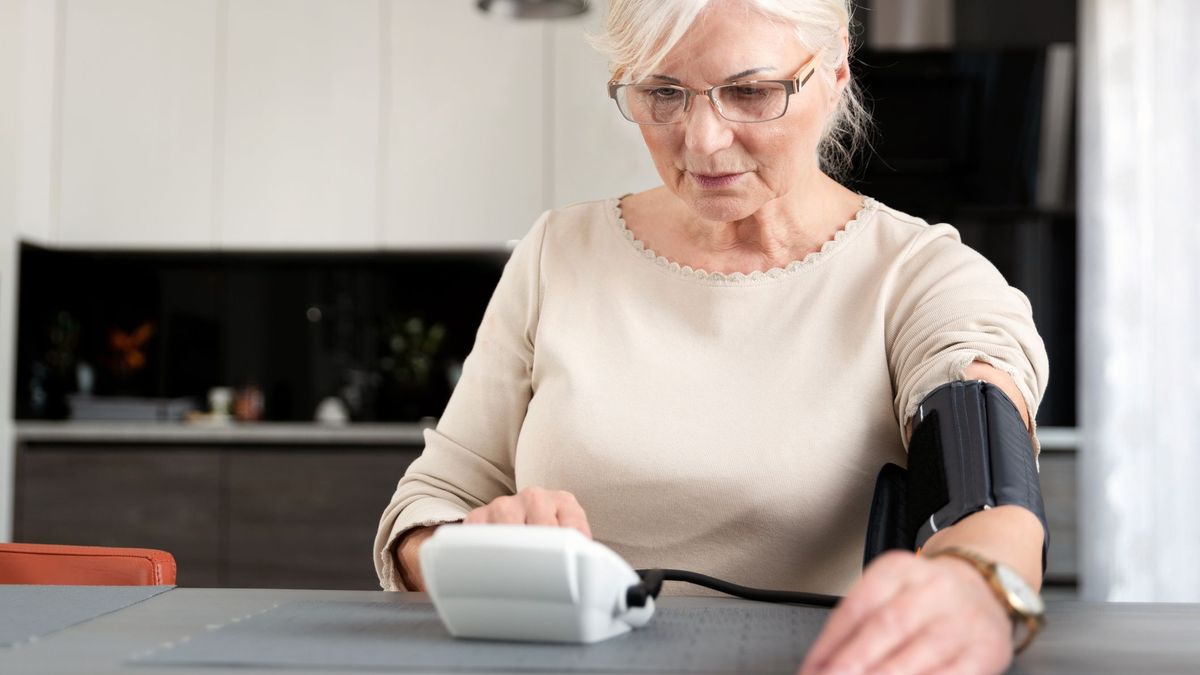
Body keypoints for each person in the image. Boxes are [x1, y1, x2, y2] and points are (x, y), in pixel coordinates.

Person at [375, 0, 1049, 672]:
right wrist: (468, 550)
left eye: (751, 91)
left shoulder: (920, 276)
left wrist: (975, 584)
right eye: (662, 92)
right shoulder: (557, 254)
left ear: (835, 67)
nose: (701, 139)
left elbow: (985, 491)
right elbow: (427, 506)